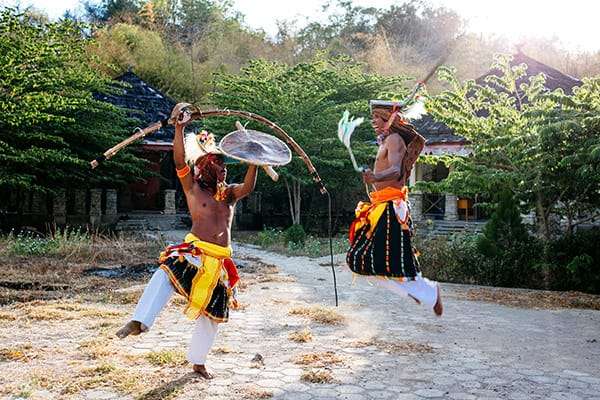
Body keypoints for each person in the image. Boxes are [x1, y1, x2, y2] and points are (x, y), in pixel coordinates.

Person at [116, 106, 258, 378]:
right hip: (193, 253)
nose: (224, 168)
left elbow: (248, 188)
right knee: (165, 272)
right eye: (218, 163)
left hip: (218, 261)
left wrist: (254, 161)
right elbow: (179, 161)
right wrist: (179, 127)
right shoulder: (193, 189)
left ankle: (198, 362)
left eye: (224, 163)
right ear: (204, 165)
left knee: (212, 315)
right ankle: (139, 321)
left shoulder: (228, 195)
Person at [346, 101, 443, 316]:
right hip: (380, 205)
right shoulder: (385, 141)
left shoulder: (394, 139)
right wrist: (372, 177)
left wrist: (376, 176)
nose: (373, 122)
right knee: (371, 261)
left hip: (390, 208)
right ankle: (424, 291)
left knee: (374, 261)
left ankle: (427, 292)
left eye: (377, 118)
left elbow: (397, 170)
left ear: (388, 119)